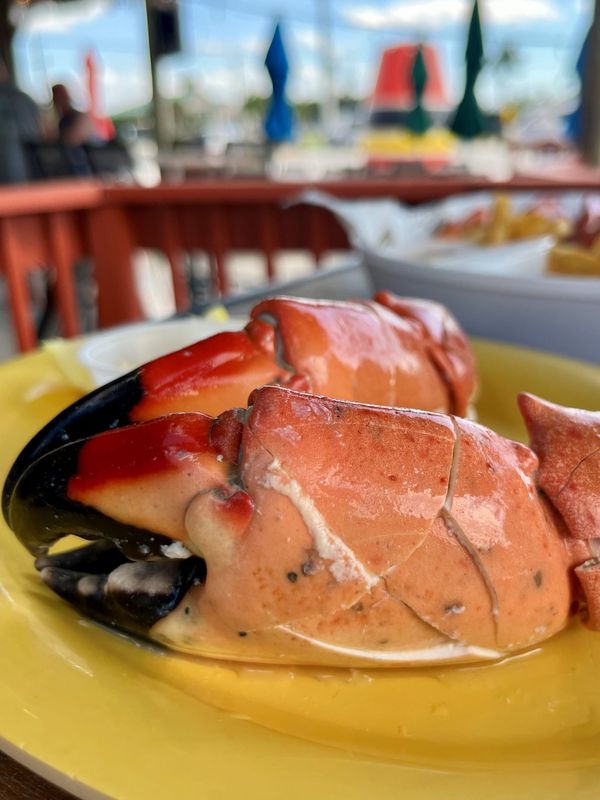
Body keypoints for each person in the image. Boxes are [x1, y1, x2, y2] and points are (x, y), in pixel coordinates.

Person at [0, 59, 41, 183]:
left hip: (10, 173)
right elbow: (39, 130)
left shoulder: (17, 99)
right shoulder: (26, 99)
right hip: (31, 170)